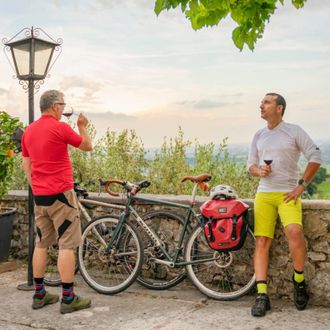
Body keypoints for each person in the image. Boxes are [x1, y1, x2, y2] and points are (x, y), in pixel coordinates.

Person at [247, 93, 322, 317]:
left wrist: (301, 186)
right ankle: (262, 295)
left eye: (266, 102)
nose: (261, 105)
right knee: (261, 240)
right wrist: (259, 170)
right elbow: (250, 165)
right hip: (264, 195)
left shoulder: (294, 131)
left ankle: (298, 281)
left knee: (295, 232)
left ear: (279, 108)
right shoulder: (259, 135)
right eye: (261, 102)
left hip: (288, 194)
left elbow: (315, 156)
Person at [21, 90, 93, 314]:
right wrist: (82, 125)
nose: (64, 109)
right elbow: (87, 146)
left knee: (41, 243)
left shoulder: (28, 132)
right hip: (62, 195)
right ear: (54, 106)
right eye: (62, 104)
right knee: (67, 245)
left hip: (40, 197)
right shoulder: (60, 127)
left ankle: (40, 294)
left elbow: (27, 167)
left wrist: (38, 189)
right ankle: (68, 299)